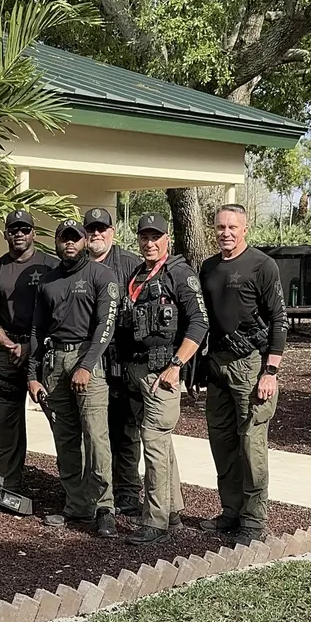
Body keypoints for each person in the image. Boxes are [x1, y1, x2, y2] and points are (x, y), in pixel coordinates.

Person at [26, 219, 122, 534]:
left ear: (83, 242)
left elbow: (104, 327)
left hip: (87, 362)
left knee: (95, 437)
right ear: (56, 242)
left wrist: (86, 365)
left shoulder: (101, 275)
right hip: (54, 365)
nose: (70, 243)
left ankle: (104, 506)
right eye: (64, 238)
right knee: (66, 440)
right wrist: (33, 373)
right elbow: (37, 329)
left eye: (75, 238)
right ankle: (77, 506)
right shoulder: (48, 281)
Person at [117, 214, 208, 545]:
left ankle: (154, 522)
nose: (149, 242)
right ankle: (172, 510)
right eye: (144, 236)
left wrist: (176, 365)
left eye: (156, 236)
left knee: (153, 444)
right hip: (137, 371)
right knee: (161, 445)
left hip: (164, 375)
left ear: (167, 239)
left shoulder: (180, 274)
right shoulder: (137, 275)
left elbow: (199, 323)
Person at [199, 202, 286, 544]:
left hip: (251, 365)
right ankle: (231, 511)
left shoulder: (262, 266)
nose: (226, 233)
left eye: (233, 227)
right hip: (217, 365)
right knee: (222, 442)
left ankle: (253, 519)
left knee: (251, 445)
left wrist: (271, 371)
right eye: (221, 227)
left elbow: (279, 319)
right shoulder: (208, 268)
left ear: (245, 229)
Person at [0, 209, 56, 512]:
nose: (19, 234)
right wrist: (10, 343)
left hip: (43, 353)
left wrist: (31, 344)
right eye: (14, 229)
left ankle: (77, 494)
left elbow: (61, 310)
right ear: (6, 234)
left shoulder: (51, 265)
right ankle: (8, 488)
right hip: (7, 354)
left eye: (25, 229)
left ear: (33, 233)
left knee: (60, 422)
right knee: (6, 425)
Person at [83, 206, 146, 517]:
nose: (97, 234)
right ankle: (96, 489)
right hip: (87, 362)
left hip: (122, 360)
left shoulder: (131, 266)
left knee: (125, 430)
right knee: (94, 431)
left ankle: (129, 492)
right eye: (91, 229)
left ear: (113, 232)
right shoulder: (75, 264)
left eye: (102, 229)